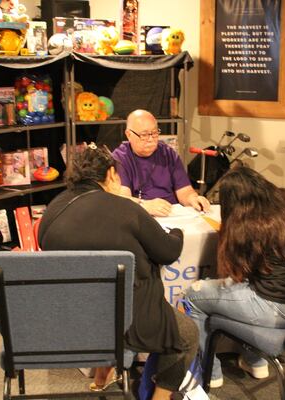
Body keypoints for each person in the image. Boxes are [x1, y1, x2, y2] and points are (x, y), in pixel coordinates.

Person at [38, 144, 199, 400]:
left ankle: (102, 376)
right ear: (111, 175)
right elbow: (168, 252)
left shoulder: (52, 211)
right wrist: (176, 233)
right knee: (188, 334)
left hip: (69, 316)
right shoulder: (127, 209)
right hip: (126, 319)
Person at [183, 166, 285, 388]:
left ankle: (209, 370)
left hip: (275, 308)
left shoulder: (248, 225)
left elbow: (235, 273)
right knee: (252, 283)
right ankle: (254, 361)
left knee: (193, 295)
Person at [112, 109, 210, 217]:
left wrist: (194, 199)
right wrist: (145, 205)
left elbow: (185, 191)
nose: (150, 139)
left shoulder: (168, 153)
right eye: (144, 135)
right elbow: (122, 199)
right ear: (129, 134)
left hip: (172, 213)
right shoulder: (120, 158)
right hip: (141, 216)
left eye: (154, 133)